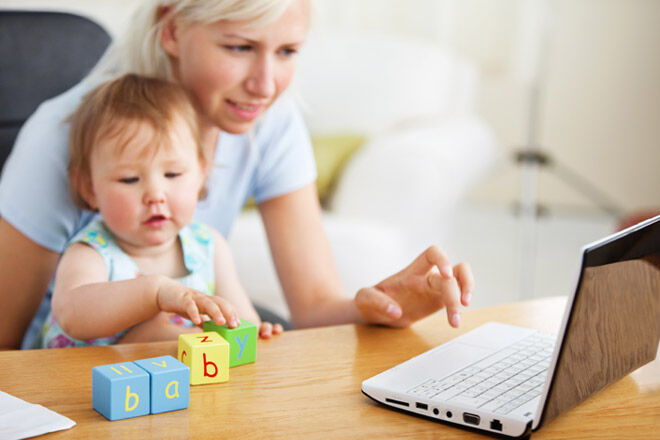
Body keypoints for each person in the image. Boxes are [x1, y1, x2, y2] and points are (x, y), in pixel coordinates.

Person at [0, 0, 474, 350]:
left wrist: (388, 306)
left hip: (185, 363)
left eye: (287, 51)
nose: (265, 86)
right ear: (170, 29)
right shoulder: (59, 136)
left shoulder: (270, 120)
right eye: (240, 47)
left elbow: (313, 308)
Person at [38, 73, 278, 348]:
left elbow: (237, 318)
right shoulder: (91, 253)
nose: (155, 196)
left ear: (201, 173)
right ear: (90, 189)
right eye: (129, 179)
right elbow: (71, 316)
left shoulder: (209, 246)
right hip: (84, 384)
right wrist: (155, 292)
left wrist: (255, 332)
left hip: (183, 386)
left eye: (173, 174)